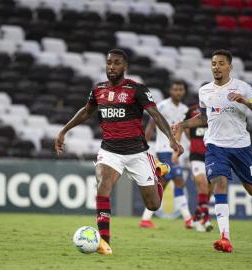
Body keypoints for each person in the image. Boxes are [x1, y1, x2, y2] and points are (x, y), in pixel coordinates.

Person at [55, 49, 183, 255]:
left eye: (116, 63)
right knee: (102, 186)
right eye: (108, 63)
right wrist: (64, 130)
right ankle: (104, 242)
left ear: (125, 67)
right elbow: (87, 111)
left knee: (153, 205)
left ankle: (156, 172)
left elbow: (155, 114)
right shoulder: (99, 90)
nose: (111, 67)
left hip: (137, 152)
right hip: (110, 151)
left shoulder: (136, 89)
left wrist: (171, 138)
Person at [172, 49, 252, 253]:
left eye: (220, 63)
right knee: (219, 183)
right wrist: (182, 125)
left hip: (240, 146)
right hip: (216, 146)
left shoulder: (244, 88)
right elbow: (203, 118)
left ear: (230, 66)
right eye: (213, 63)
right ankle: (225, 237)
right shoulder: (205, 91)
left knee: (251, 187)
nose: (216, 67)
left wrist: (245, 101)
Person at [139, 81, 193, 229]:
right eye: (175, 89)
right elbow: (150, 126)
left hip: (177, 151)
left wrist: (193, 145)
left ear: (183, 92)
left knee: (166, 183)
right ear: (171, 90)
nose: (178, 92)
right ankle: (188, 219)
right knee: (178, 181)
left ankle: (145, 218)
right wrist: (143, 146)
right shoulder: (162, 106)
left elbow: (187, 131)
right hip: (164, 150)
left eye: (180, 89)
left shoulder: (185, 109)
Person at [184, 98, 213, 232]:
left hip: (213, 154)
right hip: (196, 154)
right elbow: (186, 127)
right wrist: (194, 142)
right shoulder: (192, 110)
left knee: (210, 188)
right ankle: (206, 219)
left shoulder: (219, 109)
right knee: (202, 182)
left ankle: (196, 215)